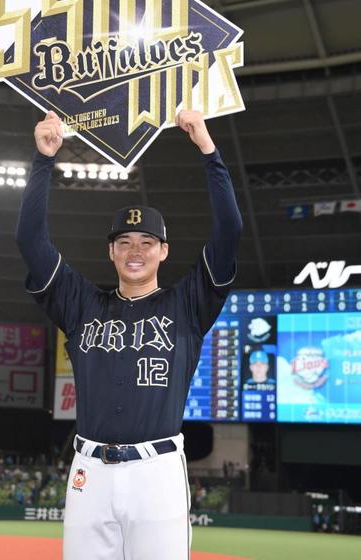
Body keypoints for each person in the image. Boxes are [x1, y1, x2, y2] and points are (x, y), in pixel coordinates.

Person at [16, 109, 242, 560]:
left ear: (163, 251)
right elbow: (30, 241)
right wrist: (43, 161)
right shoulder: (82, 304)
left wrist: (208, 150)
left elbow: (230, 230)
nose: (134, 250)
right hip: (88, 474)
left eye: (146, 242)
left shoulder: (187, 304)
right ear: (111, 252)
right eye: (124, 242)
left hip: (155, 473)